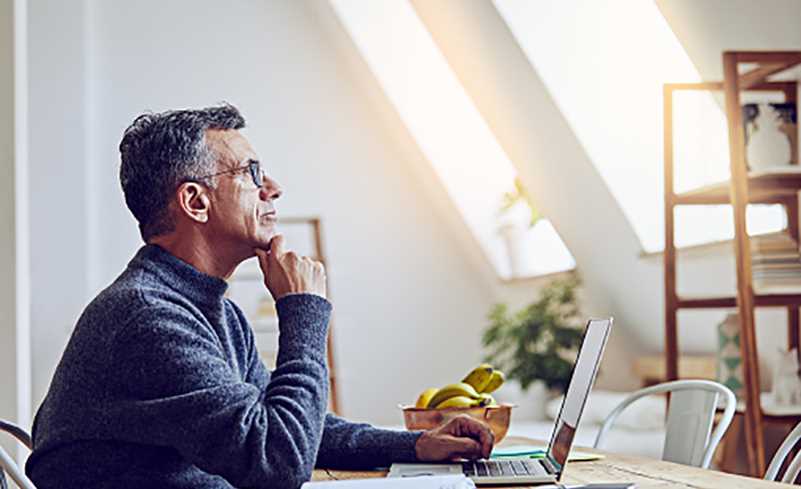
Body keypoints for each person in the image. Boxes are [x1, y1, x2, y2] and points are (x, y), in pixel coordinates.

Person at [25, 104, 494, 488]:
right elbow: (277, 463)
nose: (273, 188)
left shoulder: (213, 311)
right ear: (195, 202)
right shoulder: (147, 318)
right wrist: (302, 312)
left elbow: (285, 427)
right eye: (252, 172)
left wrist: (414, 445)